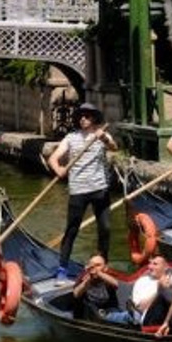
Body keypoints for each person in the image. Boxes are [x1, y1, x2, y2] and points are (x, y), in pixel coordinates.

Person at [46, 102, 118, 282]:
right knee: (72, 229)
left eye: (87, 116)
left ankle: (103, 263)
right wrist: (59, 169)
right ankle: (62, 268)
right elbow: (53, 158)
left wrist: (104, 139)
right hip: (78, 190)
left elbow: (114, 148)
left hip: (100, 189)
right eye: (81, 116)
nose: (83, 119)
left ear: (94, 118)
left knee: (105, 228)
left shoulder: (102, 135)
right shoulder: (71, 138)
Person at [103, 256, 172, 328]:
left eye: (155, 264)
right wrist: (159, 289)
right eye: (150, 264)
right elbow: (139, 308)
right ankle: (107, 316)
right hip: (148, 319)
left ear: (166, 267)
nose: (150, 267)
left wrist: (171, 288)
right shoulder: (142, 281)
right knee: (161, 296)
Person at [71, 254, 121, 321]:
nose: (94, 268)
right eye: (92, 265)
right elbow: (76, 293)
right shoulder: (84, 277)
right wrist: (88, 280)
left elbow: (115, 284)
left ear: (105, 268)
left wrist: (98, 273)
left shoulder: (107, 276)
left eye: (98, 265)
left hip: (109, 312)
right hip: (90, 315)